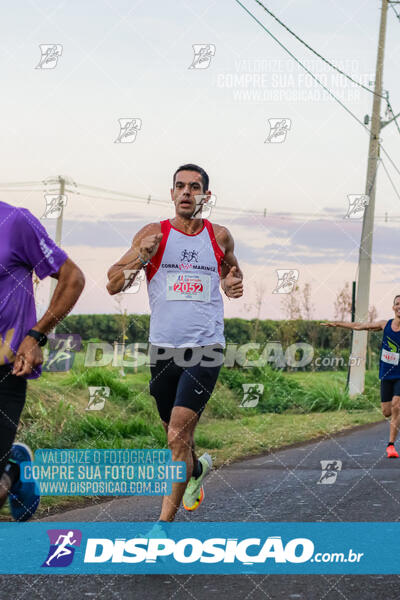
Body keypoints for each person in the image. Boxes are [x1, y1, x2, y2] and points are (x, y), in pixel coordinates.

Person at [107, 163, 243, 521]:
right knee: (175, 436)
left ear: (206, 196)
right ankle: (196, 470)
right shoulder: (153, 234)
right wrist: (141, 257)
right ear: (171, 194)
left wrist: (232, 284)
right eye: (180, 186)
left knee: (177, 434)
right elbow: (112, 283)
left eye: (194, 187)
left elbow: (233, 271)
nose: (186, 192)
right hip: (163, 350)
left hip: (206, 348)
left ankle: (162, 527)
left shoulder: (220, 236)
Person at [0, 200, 85, 520]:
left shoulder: (15, 222)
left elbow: (72, 278)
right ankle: (12, 469)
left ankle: (11, 472)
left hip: (5, 370)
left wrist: (35, 336)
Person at [323, 295, 400, 458]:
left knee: (396, 405)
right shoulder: (384, 325)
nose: (399, 307)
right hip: (386, 373)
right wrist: (338, 324)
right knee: (386, 412)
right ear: (393, 307)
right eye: (397, 304)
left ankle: (391, 446)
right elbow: (359, 326)